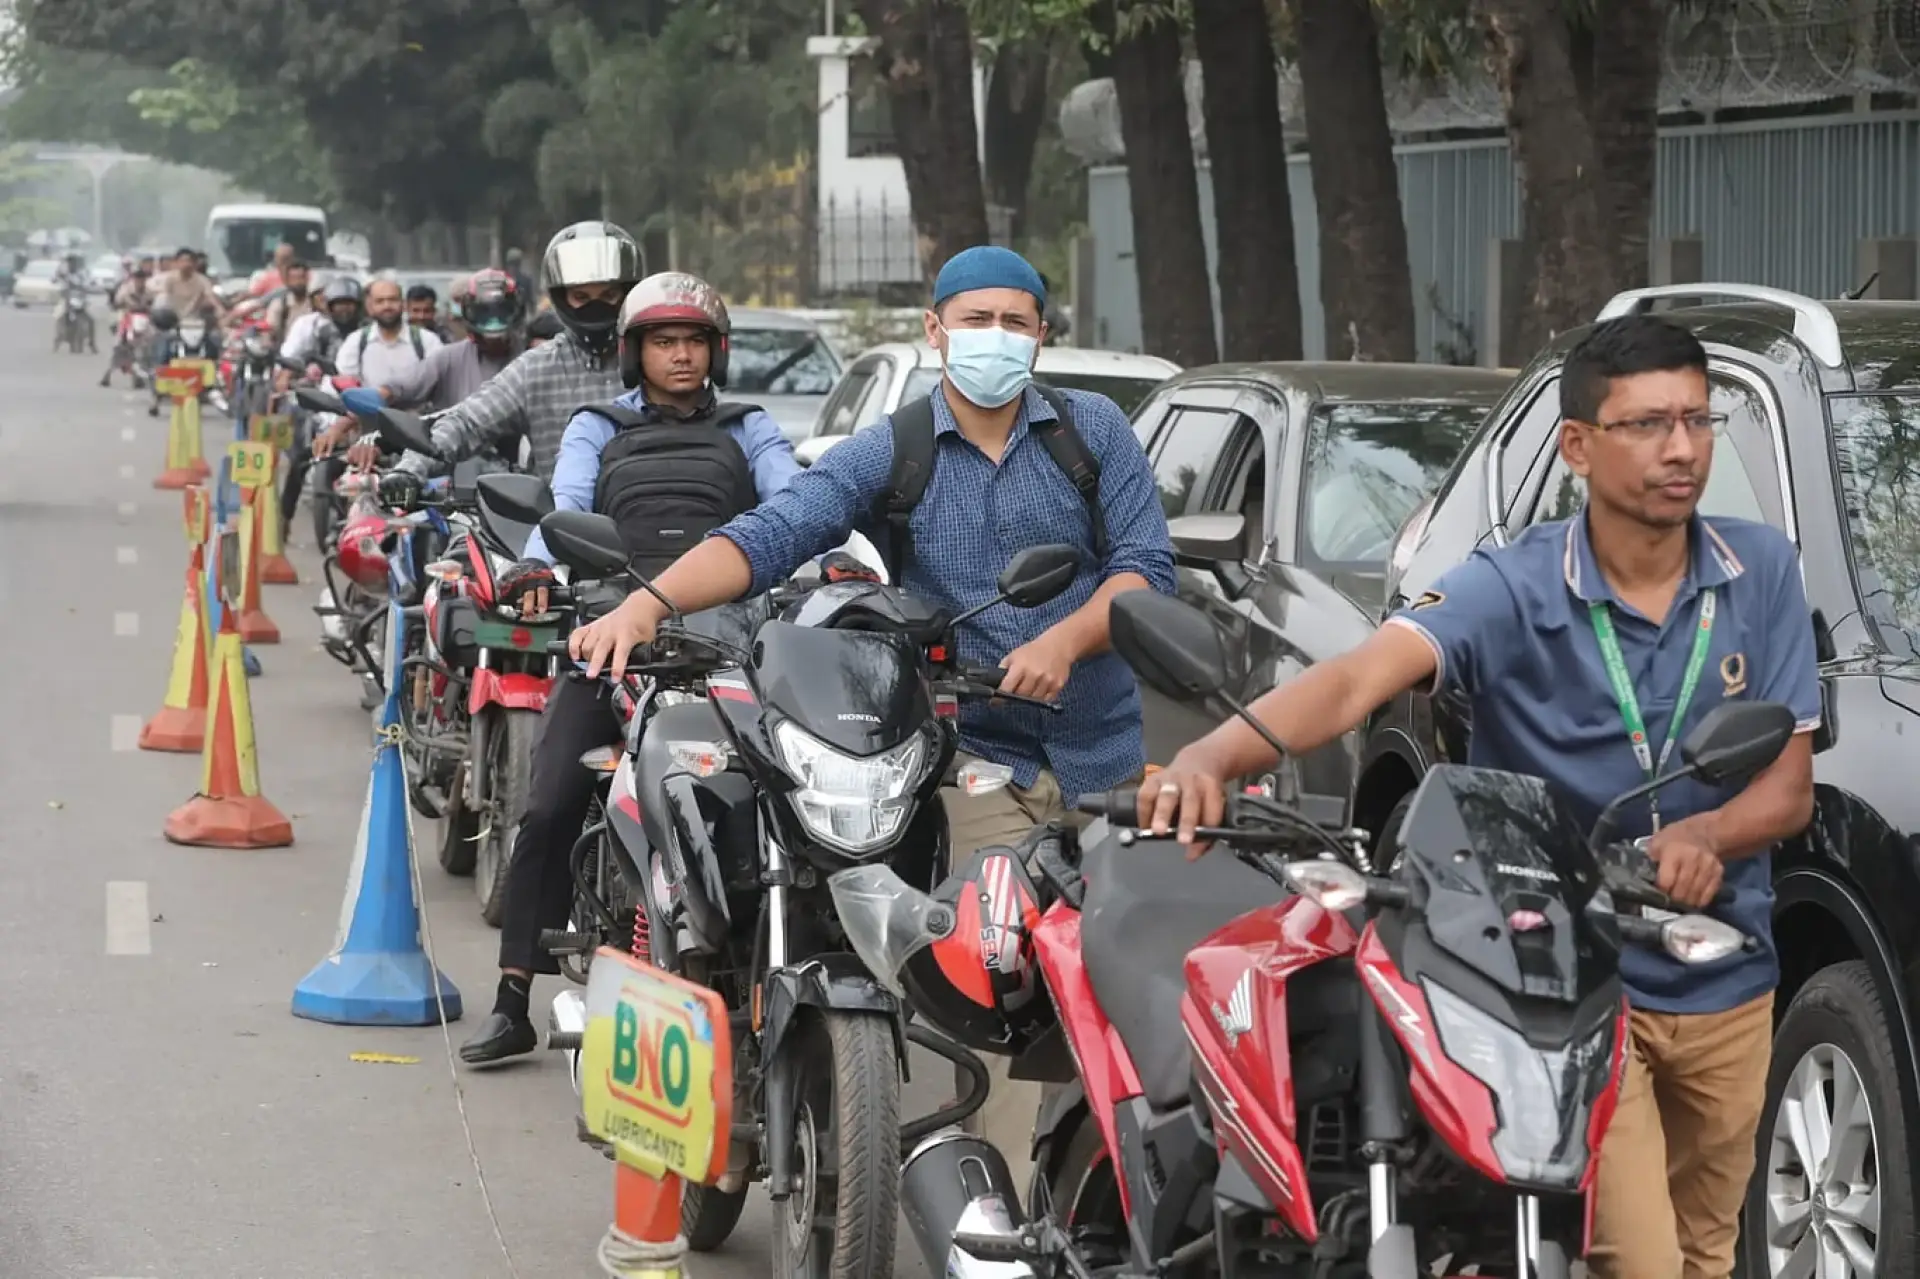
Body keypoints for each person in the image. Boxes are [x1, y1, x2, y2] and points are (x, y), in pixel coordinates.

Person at [1143, 314, 1818, 1279]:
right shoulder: (1512, 584)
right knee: (1645, 1263)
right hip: (1570, 986)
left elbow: (1787, 785)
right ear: (1578, 447)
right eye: (1647, 424)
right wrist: (1211, 753)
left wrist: (1711, 829)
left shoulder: (1764, 571)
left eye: (1698, 420)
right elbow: (1356, 680)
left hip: (1727, 978)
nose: (1681, 448)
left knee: (1707, 1253)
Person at [566, 247, 1176, 1168]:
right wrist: (648, 604)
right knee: (999, 984)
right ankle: (995, 1224)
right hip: (979, 760)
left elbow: (1144, 568)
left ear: (1042, 335)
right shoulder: (898, 447)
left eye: (1015, 321)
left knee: (1123, 1004)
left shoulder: (1093, 433)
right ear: (935, 331)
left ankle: (1116, 1198)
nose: (995, 339)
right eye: (976, 320)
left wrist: (1065, 640)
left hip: (1105, 759)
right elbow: (775, 532)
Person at [457, 271, 804, 1064]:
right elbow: (565, 509)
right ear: (633, 352)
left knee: (785, 791)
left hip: (732, 641)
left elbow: (796, 503)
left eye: (692, 341)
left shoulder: (752, 426)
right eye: (662, 341)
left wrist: (841, 559)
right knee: (548, 806)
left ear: (715, 351)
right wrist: (537, 569)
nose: (679, 356)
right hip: (614, 634)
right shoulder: (595, 426)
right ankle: (514, 996)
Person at [359, 221, 642, 487]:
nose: (595, 307)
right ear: (560, 298)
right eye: (581, 297)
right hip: (562, 529)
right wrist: (410, 469)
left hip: (659, 519)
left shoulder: (655, 359)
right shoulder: (536, 368)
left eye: (608, 296)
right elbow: (467, 423)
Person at [337, 269, 524, 424]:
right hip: (463, 460)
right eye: (484, 313)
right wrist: (378, 396)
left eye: (501, 313)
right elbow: (402, 386)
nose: (493, 322)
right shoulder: (450, 357)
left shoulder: (535, 359)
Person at [336, 277, 441, 384]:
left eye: (393, 300)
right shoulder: (355, 342)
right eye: (380, 301)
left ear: (403, 304)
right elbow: (346, 383)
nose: (387, 306)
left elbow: (438, 381)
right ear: (370, 307)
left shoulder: (427, 341)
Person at [151, 246, 226, 325]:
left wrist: (219, 308)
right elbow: (163, 297)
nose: (186, 264)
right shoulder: (169, 279)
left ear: (194, 263)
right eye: (183, 261)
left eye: (188, 261)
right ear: (176, 262)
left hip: (194, 321)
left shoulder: (202, 280)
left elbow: (210, 296)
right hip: (172, 319)